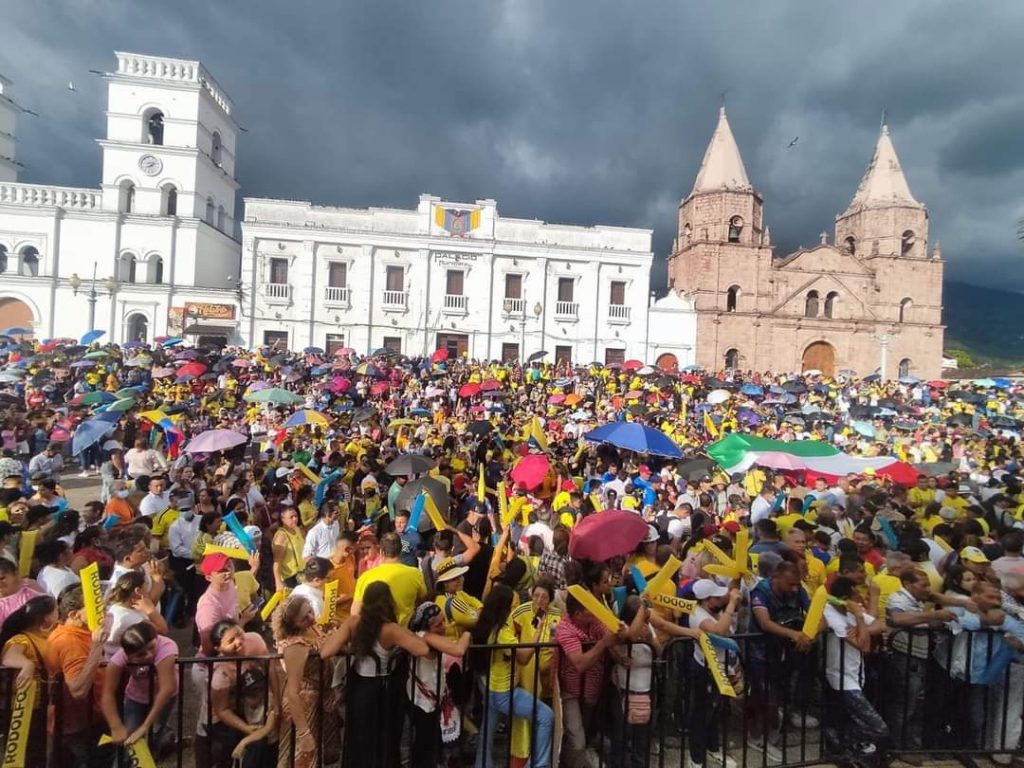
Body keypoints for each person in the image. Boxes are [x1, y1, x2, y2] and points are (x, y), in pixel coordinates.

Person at [472, 583, 554, 768]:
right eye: (513, 604)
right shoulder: (502, 632)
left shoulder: (488, 624)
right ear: (506, 607)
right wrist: (537, 633)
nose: (516, 607)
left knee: (487, 731)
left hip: (489, 686)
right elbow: (524, 658)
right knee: (546, 715)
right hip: (503, 692)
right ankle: (539, 765)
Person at [748, 560, 813, 759]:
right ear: (776, 578)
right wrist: (793, 635)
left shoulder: (799, 590)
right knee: (765, 697)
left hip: (785, 652)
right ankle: (757, 737)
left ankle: (772, 732)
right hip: (761, 651)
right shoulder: (761, 592)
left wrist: (809, 634)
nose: (794, 589)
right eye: (790, 584)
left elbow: (817, 616)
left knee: (781, 693)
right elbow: (765, 623)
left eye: (797, 584)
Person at [820, 576, 888, 763]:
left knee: (855, 719)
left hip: (857, 673)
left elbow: (880, 624)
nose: (860, 599)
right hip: (842, 677)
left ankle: (843, 745)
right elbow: (864, 646)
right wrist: (859, 619)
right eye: (856, 596)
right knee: (879, 728)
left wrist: (860, 628)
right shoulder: (831, 614)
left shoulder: (850, 612)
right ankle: (839, 741)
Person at [44, 585, 111, 768]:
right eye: (97, 610)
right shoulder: (70, 642)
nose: (103, 614)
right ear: (74, 615)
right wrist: (97, 648)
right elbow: (78, 689)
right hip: (78, 728)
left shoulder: (80, 633)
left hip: (86, 722)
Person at [272, 596, 340, 768]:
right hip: (303, 704)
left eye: (310, 611)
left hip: (320, 698)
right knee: (303, 756)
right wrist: (303, 732)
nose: (310, 617)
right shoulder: (295, 645)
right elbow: (293, 692)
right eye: (304, 618)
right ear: (294, 624)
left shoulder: (313, 628)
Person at [406, 601, 472, 768]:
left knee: (426, 746)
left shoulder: (418, 635)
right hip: (424, 702)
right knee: (425, 748)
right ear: (428, 626)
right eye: (439, 624)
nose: (444, 626)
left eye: (444, 621)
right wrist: (467, 634)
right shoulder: (426, 637)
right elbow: (458, 650)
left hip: (426, 699)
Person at [204, 618, 276, 768]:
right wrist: (246, 729)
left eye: (239, 634)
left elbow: (270, 670)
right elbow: (222, 710)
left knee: (269, 740)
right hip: (226, 716)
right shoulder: (220, 673)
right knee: (255, 744)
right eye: (231, 641)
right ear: (218, 648)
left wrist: (276, 699)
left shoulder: (254, 640)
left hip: (255, 703)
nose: (239, 642)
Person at [100, 621, 179, 758]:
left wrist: (144, 727)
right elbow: (107, 693)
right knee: (129, 741)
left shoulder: (166, 647)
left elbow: (167, 688)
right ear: (128, 655)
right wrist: (116, 726)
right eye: (141, 654)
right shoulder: (119, 659)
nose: (148, 655)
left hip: (164, 697)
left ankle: (153, 756)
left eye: (151, 647)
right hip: (136, 697)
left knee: (155, 733)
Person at [687, 579, 741, 768]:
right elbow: (719, 630)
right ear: (708, 600)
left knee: (716, 711)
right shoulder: (698, 614)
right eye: (717, 597)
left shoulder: (715, 611)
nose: (722, 600)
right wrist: (732, 603)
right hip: (705, 669)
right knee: (702, 714)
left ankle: (713, 748)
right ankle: (696, 758)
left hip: (721, 666)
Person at [0, 594, 58, 767]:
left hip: (43, 706)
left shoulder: (49, 636)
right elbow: (9, 657)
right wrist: (27, 665)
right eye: (56, 610)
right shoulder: (22, 639)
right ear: (46, 617)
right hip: (24, 709)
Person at [352, 532, 427, 627]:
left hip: (377, 635)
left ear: (381, 552)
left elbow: (355, 613)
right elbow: (422, 600)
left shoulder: (365, 577)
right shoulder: (415, 574)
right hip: (406, 633)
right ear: (400, 550)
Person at [105, 570, 169, 657]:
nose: (148, 589)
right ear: (138, 590)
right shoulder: (129, 618)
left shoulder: (116, 607)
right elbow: (163, 630)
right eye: (146, 585)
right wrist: (150, 609)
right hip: (124, 662)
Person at [271, 506, 305, 591]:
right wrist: (278, 583)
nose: (295, 519)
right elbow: (276, 563)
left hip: (302, 573)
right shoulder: (281, 536)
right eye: (291, 517)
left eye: (296, 516)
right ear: (283, 519)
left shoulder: (297, 529)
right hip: (290, 578)